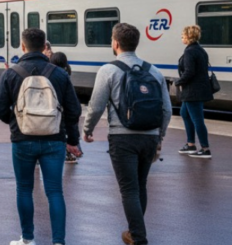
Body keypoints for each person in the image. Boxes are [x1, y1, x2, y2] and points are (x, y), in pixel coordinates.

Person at [0, 28, 83, 245]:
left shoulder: (12, 73)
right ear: (45, 47)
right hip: (54, 140)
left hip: (22, 140)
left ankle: (27, 239)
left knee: (24, 188)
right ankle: (58, 241)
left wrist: (16, 122)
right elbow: (74, 110)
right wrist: (72, 139)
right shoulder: (59, 74)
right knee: (54, 191)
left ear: (22, 47)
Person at [83, 23, 171, 245]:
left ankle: (138, 237)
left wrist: (87, 129)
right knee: (141, 184)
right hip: (150, 136)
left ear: (115, 43)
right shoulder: (154, 71)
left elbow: (96, 106)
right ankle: (135, 231)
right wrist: (159, 136)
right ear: (136, 43)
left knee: (129, 189)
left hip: (122, 137)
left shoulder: (108, 70)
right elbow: (167, 110)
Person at [174, 24, 213, 159]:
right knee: (184, 113)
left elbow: (190, 72)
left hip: (193, 91)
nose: (181, 38)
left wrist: (178, 82)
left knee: (197, 120)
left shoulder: (190, 51)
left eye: (183, 36)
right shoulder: (200, 50)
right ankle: (190, 144)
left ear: (189, 37)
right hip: (198, 89)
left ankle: (205, 148)